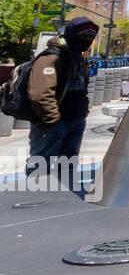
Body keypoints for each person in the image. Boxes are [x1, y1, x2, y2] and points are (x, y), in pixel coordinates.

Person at [26, 17, 99, 183]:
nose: (87, 39)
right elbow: (40, 93)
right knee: (40, 170)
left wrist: (83, 111)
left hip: (75, 120)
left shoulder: (78, 58)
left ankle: (60, 202)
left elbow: (82, 87)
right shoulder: (52, 57)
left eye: (91, 35)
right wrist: (52, 119)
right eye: (83, 34)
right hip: (53, 124)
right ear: (72, 33)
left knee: (67, 171)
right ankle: (33, 203)